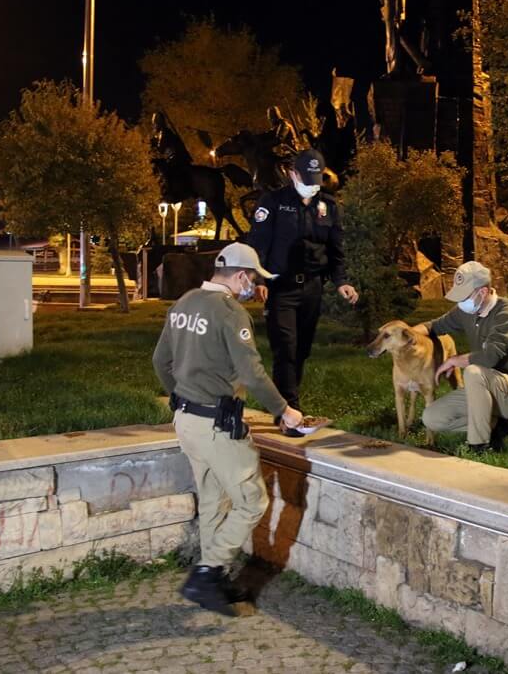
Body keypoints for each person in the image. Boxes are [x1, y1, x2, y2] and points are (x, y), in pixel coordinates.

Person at [152, 242, 303, 615]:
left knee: (214, 500)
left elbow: (160, 360)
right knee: (252, 501)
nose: (254, 286)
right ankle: (207, 573)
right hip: (215, 425)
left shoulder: (185, 301)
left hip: (185, 420)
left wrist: (180, 395)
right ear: (239, 276)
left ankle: (213, 582)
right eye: (253, 279)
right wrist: (284, 411)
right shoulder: (230, 312)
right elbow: (252, 373)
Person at [248, 149, 359, 436]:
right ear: (292, 173)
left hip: (313, 287)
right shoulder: (273, 203)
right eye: (306, 177)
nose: (312, 184)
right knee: (285, 347)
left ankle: (283, 407)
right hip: (280, 286)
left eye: (316, 178)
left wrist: (341, 281)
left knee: (301, 350)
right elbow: (258, 244)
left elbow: (336, 250)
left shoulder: (329, 206)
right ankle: (290, 415)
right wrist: (258, 280)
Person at [415, 261, 508, 453]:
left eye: (465, 296)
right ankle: (495, 425)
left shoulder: (506, 311)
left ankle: (479, 445)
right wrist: (407, 333)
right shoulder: (465, 311)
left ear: (483, 292)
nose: (461, 302)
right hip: (480, 388)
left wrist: (454, 360)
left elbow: (489, 357)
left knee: (473, 370)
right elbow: (434, 326)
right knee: (432, 417)